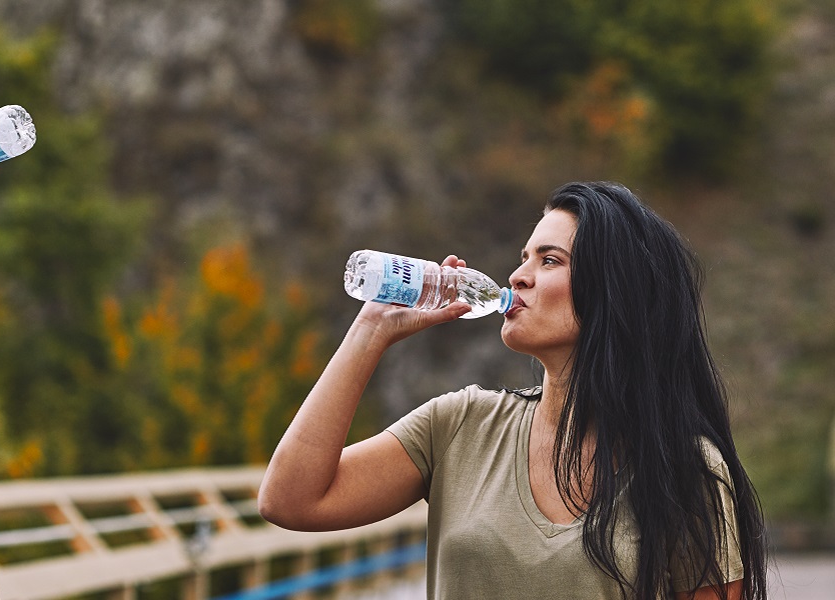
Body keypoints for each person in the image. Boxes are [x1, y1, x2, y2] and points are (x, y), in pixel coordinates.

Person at [257, 182, 768, 599]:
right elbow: (291, 500)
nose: (517, 276)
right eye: (524, 257)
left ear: (614, 289)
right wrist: (370, 330)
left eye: (549, 260)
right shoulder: (460, 426)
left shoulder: (685, 469)